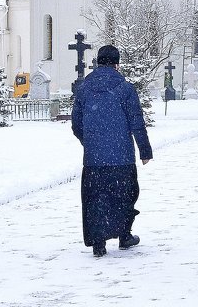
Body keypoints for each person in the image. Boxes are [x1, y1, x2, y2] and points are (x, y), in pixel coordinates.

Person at [71, 44, 153, 258]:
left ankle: (98, 242)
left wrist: (89, 141)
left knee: (95, 199)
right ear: (117, 64)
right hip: (122, 157)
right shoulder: (125, 88)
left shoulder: (84, 89)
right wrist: (144, 150)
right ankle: (124, 235)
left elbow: (76, 124)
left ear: (98, 62)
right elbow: (137, 122)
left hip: (93, 160)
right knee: (125, 196)